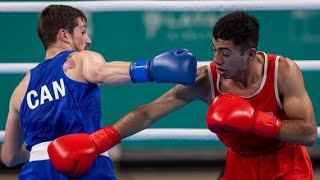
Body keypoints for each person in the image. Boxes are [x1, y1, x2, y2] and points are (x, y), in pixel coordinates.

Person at [48, 11, 318, 179]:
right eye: (214, 49)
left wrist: (255, 120)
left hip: (287, 164)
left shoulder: (282, 71)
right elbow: (147, 113)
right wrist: (98, 141)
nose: (217, 59)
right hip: (240, 165)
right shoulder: (207, 78)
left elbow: (307, 133)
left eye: (225, 52)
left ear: (249, 54)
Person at [0, 4, 197, 180]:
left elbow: (9, 157)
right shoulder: (79, 59)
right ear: (64, 35)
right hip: (87, 166)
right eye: (83, 31)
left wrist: (44, 148)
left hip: (36, 172)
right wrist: (152, 69)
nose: (88, 39)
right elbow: (101, 73)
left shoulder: (20, 89)